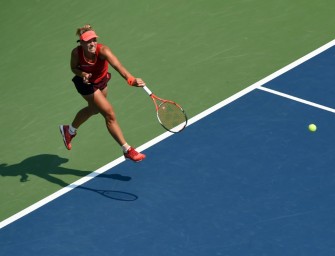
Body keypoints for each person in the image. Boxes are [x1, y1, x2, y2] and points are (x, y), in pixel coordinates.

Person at [59, 24, 146, 162]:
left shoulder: (103, 51)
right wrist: (82, 74)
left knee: (93, 110)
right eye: (88, 41)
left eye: (94, 40)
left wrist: (131, 79)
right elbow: (73, 68)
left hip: (101, 81)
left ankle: (69, 130)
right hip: (85, 84)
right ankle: (127, 150)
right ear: (81, 42)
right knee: (109, 113)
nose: (92, 43)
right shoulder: (76, 53)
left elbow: (118, 66)